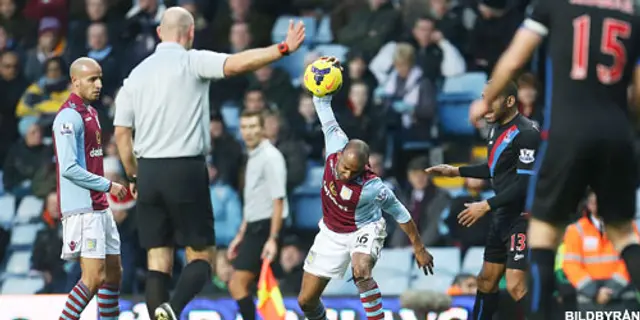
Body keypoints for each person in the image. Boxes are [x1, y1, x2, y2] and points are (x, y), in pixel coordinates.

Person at [112, 6, 306, 320]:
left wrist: (134, 175)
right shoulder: (192, 60)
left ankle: (159, 315)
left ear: (160, 33)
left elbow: (122, 134)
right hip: (185, 169)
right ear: (189, 33)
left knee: (157, 260)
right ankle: (172, 310)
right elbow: (237, 63)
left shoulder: (136, 75)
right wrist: (281, 49)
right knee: (202, 256)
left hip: (147, 171)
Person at [467, 1, 640, 318]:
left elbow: (516, 59)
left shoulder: (554, 5)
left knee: (543, 231)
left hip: (566, 130)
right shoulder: (632, 10)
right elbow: (638, 90)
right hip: (616, 132)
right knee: (624, 233)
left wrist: (487, 100)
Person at [297, 57, 434, 320]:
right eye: (344, 168)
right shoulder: (335, 141)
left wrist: (418, 248)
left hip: (364, 228)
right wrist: (329, 70)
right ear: (339, 155)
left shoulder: (372, 187)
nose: (346, 174)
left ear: (364, 168)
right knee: (306, 301)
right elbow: (321, 101)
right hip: (331, 232)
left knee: (361, 270)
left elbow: (401, 214)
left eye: (353, 172)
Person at [427, 81, 539, 319]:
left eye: (492, 99)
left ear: (510, 101)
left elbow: (525, 183)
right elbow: (493, 168)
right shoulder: (495, 127)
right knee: (486, 281)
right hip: (502, 216)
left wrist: (486, 205)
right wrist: (456, 171)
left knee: (516, 285)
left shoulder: (527, 133)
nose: (484, 106)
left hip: (523, 217)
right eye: (483, 98)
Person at [53, 57, 127, 320]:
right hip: (82, 208)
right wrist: (108, 185)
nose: (99, 84)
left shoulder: (92, 113)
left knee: (114, 272)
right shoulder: (67, 117)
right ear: (75, 81)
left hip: (100, 206)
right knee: (93, 277)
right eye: (92, 79)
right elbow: (68, 168)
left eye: (100, 78)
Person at [227, 110, 288, 320]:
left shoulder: (271, 157)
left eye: (253, 126)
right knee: (257, 285)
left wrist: (273, 239)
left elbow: (278, 199)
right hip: (253, 226)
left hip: (266, 226)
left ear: (262, 128)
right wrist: (241, 234)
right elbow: (253, 200)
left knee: (238, 283)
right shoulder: (252, 157)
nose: (248, 132)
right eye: (244, 127)